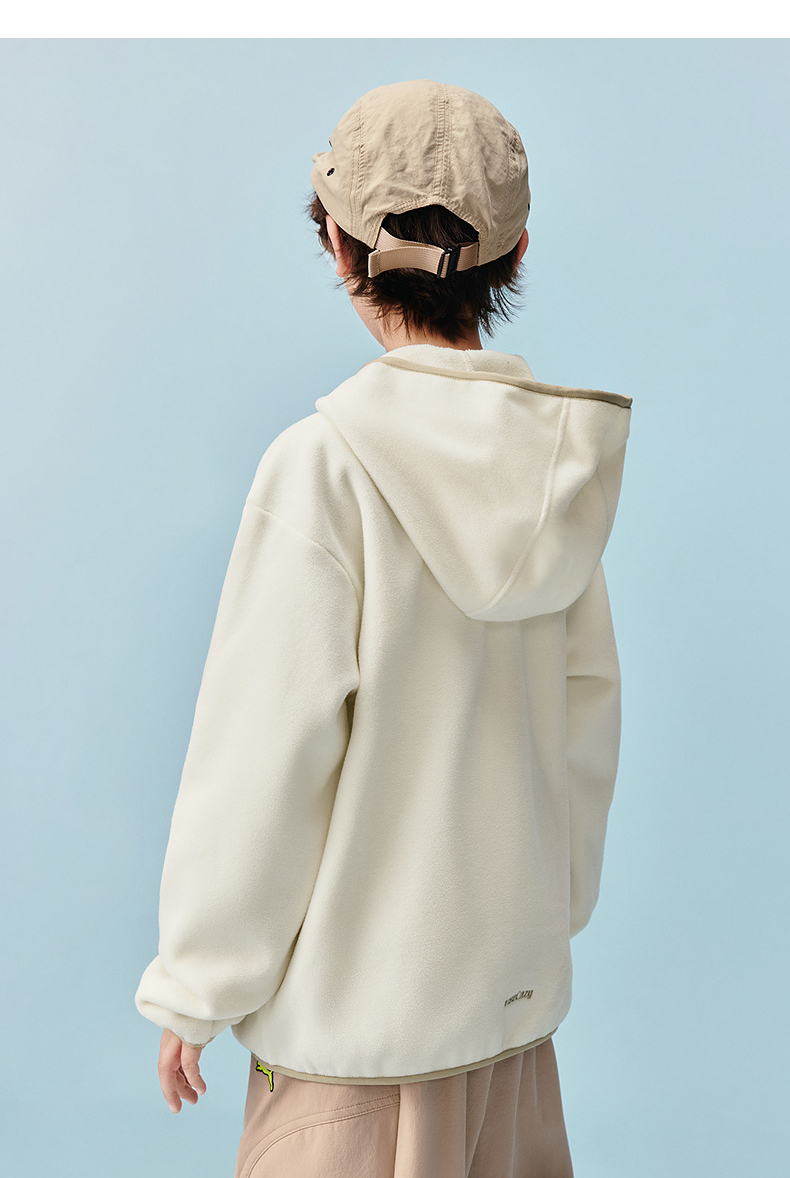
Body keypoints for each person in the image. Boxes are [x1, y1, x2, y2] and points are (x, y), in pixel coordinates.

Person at [134, 79, 632, 1177]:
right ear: (516, 248)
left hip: (353, 1046)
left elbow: (264, 753)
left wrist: (198, 981)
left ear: (340, 244)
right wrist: (540, 916)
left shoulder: (322, 468)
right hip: (512, 1030)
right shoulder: (554, 473)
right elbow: (584, 723)